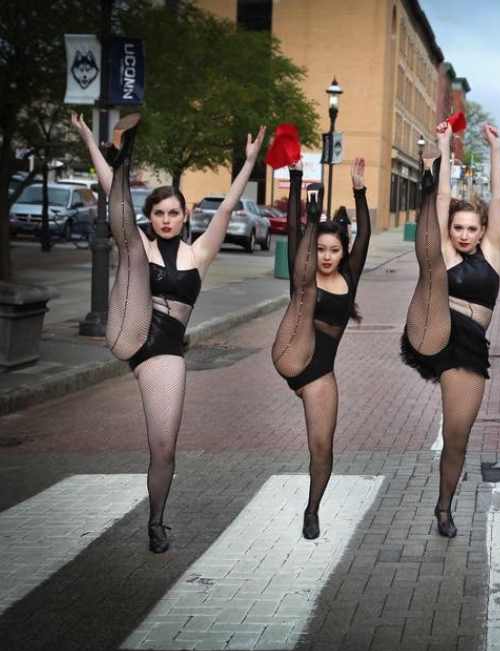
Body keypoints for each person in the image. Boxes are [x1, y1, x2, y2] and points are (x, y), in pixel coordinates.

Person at [71, 112, 265, 553]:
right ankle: (124, 156)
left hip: (165, 348)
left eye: (172, 212)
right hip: (131, 324)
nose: (165, 219)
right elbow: (111, 196)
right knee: (132, 250)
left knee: (163, 446)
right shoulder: (142, 242)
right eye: (157, 212)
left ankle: (156, 521)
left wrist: (250, 161)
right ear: (151, 216)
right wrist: (88, 138)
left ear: (184, 215)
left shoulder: (199, 255)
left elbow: (230, 207)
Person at [400, 121, 500, 538]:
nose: (463, 234)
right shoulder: (444, 248)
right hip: (437, 330)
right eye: (457, 227)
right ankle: (419, 333)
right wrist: (443, 146)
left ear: (482, 231)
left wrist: (497, 149)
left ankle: (444, 506)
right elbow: (443, 197)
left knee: (457, 434)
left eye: (470, 228)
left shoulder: (494, 252)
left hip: (471, 347)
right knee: (430, 264)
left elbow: (498, 196)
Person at [270, 158, 370, 540]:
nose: (327, 257)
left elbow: (364, 238)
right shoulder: (307, 274)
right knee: (305, 285)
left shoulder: (349, 276)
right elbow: (295, 237)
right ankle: (312, 219)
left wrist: (359, 190)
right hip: (293, 350)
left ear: (342, 253)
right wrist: (295, 180)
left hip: (319, 373)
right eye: (321, 249)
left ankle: (312, 510)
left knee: (323, 446)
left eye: (334, 250)